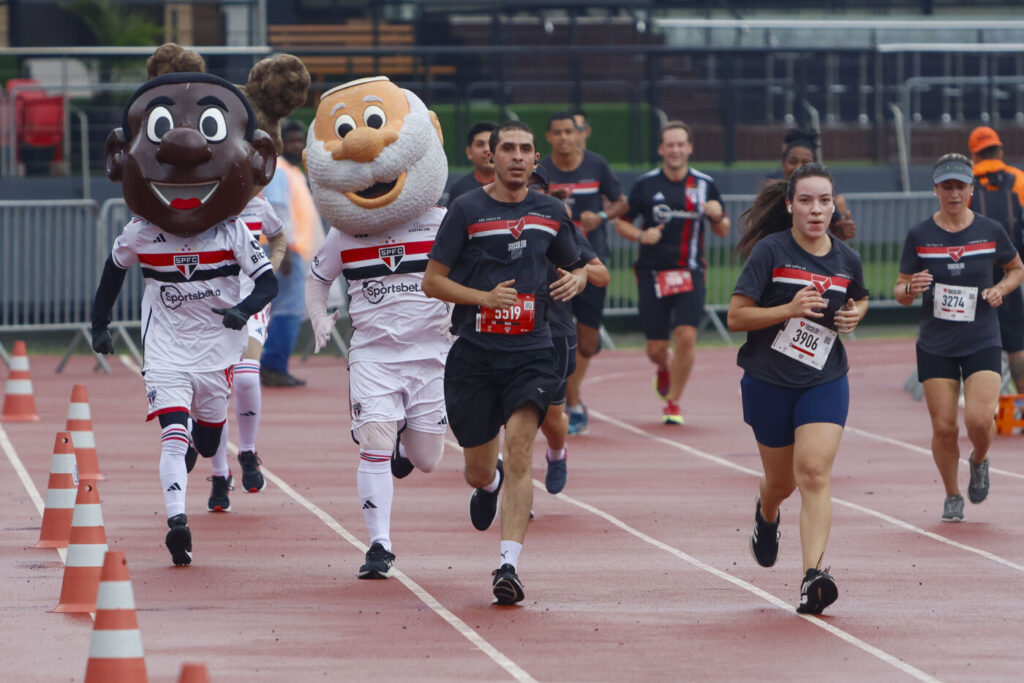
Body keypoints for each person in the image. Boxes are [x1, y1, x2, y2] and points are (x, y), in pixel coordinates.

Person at [91, 72, 279, 566]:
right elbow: (112, 274)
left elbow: (269, 282)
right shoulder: (140, 232)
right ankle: (177, 520)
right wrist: (100, 323)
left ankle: (214, 455)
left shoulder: (234, 231)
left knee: (211, 435)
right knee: (174, 434)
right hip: (167, 347)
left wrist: (242, 309)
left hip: (217, 349)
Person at [423, 120, 583, 604]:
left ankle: (507, 566)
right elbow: (433, 281)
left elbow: (576, 264)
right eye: (507, 148)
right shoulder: (466, 210)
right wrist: (482, 298)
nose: (517, 156)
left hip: (532, 352)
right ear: (490, 158)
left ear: (536, 161)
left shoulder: (552, 211)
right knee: (478, 470)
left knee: (519, 452)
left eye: (526, 150)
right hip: (474, 354)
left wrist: (575, 280)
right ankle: (486, 483)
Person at [303, 75, 453, 579]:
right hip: (374, 354)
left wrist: (467, 313)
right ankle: (379, 546)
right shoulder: (345, 232)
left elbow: (472, 274)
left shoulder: (440, 223)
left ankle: (409, 432)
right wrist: (321, 317)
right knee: (373, 445)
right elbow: (317, 279)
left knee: (428, 460)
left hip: (432, 352)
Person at [727, 162, 869, 615]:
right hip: (769, 380)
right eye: (806, 200)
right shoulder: (771, 251)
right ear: (790, 205)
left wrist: (855, 315)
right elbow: (736, 317)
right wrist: (787, 309)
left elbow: (858, 295)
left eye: (824, 200)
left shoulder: (846, 258)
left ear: (833, 205)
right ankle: (766, 515)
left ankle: (813, 576)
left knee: (813, 473)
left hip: (824, 377)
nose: (816, 210)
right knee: (782, 482)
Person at [895, 153, 1024, 522]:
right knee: (945, 426)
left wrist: (1001, 288)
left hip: (982, 337)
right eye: (947, 186)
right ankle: (952, 493)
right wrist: (910, 287)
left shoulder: (990, 229)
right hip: (936, 344)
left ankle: (980, 460)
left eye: (960, 187)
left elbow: (1016, 269)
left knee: (981, 421)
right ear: (936, 189)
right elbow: (901, 290)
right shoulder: (920, 235)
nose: (954, 193)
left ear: (971, 189)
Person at [615, 121, 730, 424]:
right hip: (652, 274)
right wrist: (641, 236)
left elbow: (722, 229)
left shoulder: (705, 184)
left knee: (687, 335)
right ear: (661, 149)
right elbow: (621, 222)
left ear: (690, 148)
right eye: (670, 145)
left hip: (689, 271)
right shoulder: (645, 184)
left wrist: (717, 216)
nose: (676, 150)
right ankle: (663, 365)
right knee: (656, 348)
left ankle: (674, 402)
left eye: (681, 144)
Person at [540, 110, 628, 435]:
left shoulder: (596, 165)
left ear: (580, 134)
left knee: (587, 343)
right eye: (558, 132)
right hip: (551, 265)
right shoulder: (542, 171)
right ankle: (571, 403)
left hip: (590, 259)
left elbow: (621, 202)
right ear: (549, 137)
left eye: (569, 131)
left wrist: (601, 217)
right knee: (557, 335)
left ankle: (567, 397)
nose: (564, 137)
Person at [528, 165, 609, 494]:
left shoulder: (559, 228)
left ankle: (557, 452)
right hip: (506, 332)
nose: (530, 193)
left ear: (547, 193)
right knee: (515, 419)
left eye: (537, 187)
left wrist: (580, 276)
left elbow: (601, 274)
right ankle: (515, 492)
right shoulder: (489, 223)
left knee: (551, 419)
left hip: (554, 332)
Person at [206, 194, 288, 512]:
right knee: (213, 390)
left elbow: (278, 236)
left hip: (250, 303)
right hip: (208, 306)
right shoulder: (201, 199)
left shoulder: (258, 202)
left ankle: (248, 452)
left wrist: (270, 268)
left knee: (245, 379)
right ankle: (218, 473)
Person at [968, 126, 1024, 391]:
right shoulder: (1018, 179)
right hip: (1009, 273)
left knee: (974, 340)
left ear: (974, 155)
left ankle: (982, 400)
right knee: (1017, 344)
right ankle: (1022, 398)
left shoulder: (965, 183)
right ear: (1000, 150)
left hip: (972, 275)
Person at [770, 128, 856, 242]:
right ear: (783, 164)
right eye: (793, 161)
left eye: (806, 163)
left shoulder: (830, 201)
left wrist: (840, 231)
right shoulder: (771, 196)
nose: (798, 167)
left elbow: (837, 233)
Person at [446, 121, 498, 205]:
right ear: (469, 152)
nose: (487, 149)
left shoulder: (514, 185)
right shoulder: (459, 188)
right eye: (480, 144)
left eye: (491, 144)